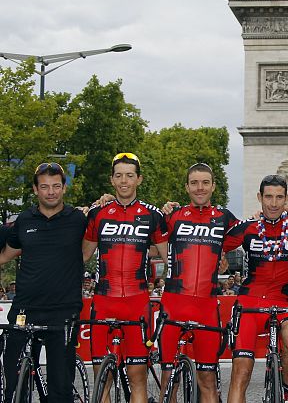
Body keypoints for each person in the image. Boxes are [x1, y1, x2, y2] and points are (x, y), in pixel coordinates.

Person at [224, 174, 288, 403]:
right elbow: (217, 245)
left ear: (286, 199)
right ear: (259, 197)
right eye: (268, 197)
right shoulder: (247, 227)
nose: (273, 203)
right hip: (249, 303)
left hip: (281, 301)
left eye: (279, 197)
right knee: (241, 371)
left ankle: (287, 392)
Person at [82, 153, 169, 403]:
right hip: (104, 299)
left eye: (129, 176)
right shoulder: (98, 213)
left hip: (136, 302)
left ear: (138, 179)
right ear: (112, 180)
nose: (124, 181)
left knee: (137, 377)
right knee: (102, 380)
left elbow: (169, 258)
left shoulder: (152, 215)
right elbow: (83, 254)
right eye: (119, 176)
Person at [0, 163, 86, 403]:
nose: (51, 192)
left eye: (56, 186)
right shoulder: (24, 220)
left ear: (64, 188)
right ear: (35, 190)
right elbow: (7, 254)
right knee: (14, 379)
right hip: (25, 309)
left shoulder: (78, 219)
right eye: (45, 187)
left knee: (60, 385)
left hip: (64, 310)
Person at [156, 163, 240, 403]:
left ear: (213, 186)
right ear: (186, 187)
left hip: (206, 306)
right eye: (194, 183)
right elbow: (142, 226)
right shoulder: (172, 216)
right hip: (173, 304)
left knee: (207, 380)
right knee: (167, 379)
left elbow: (254, 230)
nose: (199, 187)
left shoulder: (224, 218)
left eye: (205, 182)